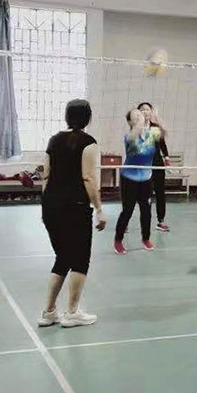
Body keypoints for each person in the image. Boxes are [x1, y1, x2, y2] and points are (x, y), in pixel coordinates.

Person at [39, 99, 106, 328]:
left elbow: (46, 175)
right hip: (75, 207)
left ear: (67, 116)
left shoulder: (53, 140)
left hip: (50, 206)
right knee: (79, 260)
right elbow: (89, 178)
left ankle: (49, 312)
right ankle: (73, 312)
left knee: (63, 257)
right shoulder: (89, 143)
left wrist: (46, 204)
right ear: (88, 118)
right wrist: (99, 209)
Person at [114, 109, 160, 254]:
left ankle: (146, 239)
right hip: (129, 178)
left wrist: (156, 119)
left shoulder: (152, 134)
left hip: (146, 178)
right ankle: (118, 240)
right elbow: (136, 150)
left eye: (141, 114)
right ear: (129, 121)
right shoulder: (129, 137)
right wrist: (140, 125)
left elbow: (163, 132)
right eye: (136, 116)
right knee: (127, 211)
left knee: (146, 211)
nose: (140, 116)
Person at [138, 102, 171, 232]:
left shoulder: (156, 128)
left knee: (160, 192)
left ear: (151, 112)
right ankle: (139, 221)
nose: (145, 112)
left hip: (157, 163)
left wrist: (166, 157)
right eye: (142, 110)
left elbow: (162, 144)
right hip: (143, 164)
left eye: (147, 109)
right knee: (143, 194)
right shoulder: (136, 128)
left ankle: (161, 221)